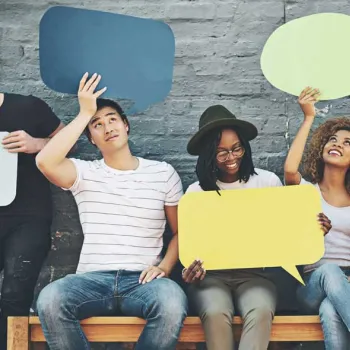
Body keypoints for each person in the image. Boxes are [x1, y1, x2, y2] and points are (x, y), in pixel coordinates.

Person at [35, 73, 188, 350]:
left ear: (126, 125)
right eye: (97, 124)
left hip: (143, 280)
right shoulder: (84, 172)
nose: (107, 127)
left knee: (172, 301)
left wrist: (164, 267)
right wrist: (84, 113)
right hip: (90, 280)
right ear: (91, 139)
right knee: (50, 299)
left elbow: (181, 231)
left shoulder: (163, 173)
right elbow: (45, 161)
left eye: (112, 119)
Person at [181, 105, 283, 350]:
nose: (232, 157)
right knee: (215, 311)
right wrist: (189, 270)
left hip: (256, 274)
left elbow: (285, 231)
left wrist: (313, 227)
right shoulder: (196, 192)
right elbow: (191, 244)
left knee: (260, 310)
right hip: (211, 277)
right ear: (209, 155)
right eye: (221, 152)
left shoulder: (267, 182)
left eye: (236, 148)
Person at [284, 87, 350, 350]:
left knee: (330, 309)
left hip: (346, 287)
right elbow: (290, 171)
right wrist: (308, 118)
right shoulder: (307, 192)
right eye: (333, 139)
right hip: (312, 283)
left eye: (348, 143)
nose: (337, 144)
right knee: (330, 271)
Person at [0, 92, 64, 348]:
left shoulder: (29, 107)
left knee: (16, 294)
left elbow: (69, 142)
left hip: (28, 216)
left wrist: (38, 144)